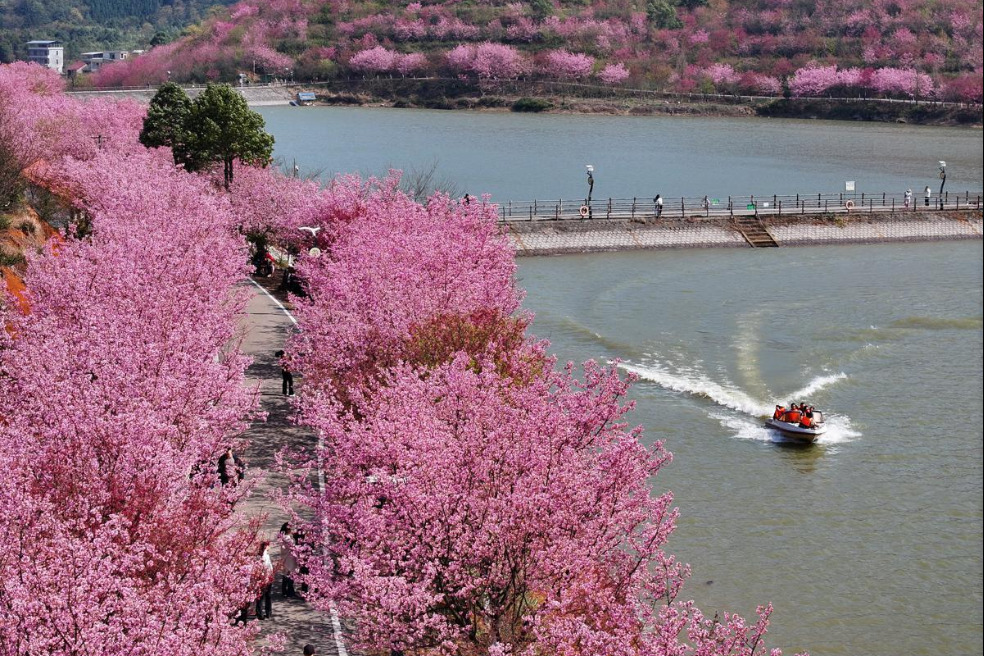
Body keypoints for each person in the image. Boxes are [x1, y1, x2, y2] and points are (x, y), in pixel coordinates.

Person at [256, 541, 274, 620]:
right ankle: (267, 612)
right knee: (265, 596)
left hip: (264, 577)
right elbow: (267, 567)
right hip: (265, 578)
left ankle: (261, 612)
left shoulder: (263, 555)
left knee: (262, 596)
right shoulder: (264, 556)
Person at [280, 522, 298, 598]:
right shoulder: (287, 538)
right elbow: (293, 546)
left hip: (287, 557)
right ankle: (289, 591)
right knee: (289, 573)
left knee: (286, 573)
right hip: (289, 558)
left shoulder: (284, 537)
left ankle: (285, 591)